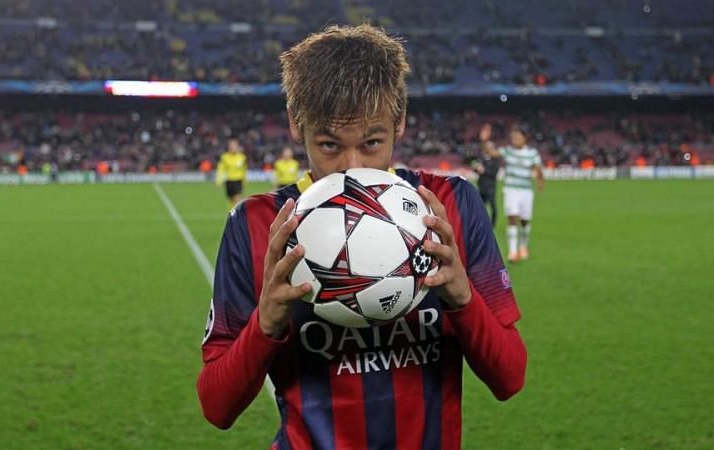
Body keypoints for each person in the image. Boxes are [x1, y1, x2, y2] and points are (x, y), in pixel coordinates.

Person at [196, 25, 526, 450]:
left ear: (400, 121)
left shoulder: (450, 205)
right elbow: (216, 408)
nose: (352, 168)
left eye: (372, 142)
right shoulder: (256, 224)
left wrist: (463, 298)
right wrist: (266, 323)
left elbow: (510, 378)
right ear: (297, 127)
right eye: (329, 145)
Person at [499, 126, 544, 263]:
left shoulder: (532, 153)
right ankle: (512, 252)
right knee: (512, 218)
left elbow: (537, 168)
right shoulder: (508, 151)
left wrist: (540, 181)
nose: (515, 140)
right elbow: (493, 152)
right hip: (511, 189)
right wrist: (484, 141)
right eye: (513, 137)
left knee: (524, 221)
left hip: (526, 190)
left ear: (525, 138)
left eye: (517, 137)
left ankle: (523, 246)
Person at [469, 123, 502, 227]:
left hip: (490, 186)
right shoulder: (482, 158)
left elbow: (494, 173)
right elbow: (475, 166)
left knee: (493, 207)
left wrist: (484, 171)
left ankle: (492, 225)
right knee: (479, 207)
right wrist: (476, 168)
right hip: (481, 185)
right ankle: (480, 223)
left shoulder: (495, 160)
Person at [216, 138, 247, 207]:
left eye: (235, 145)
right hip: (229, 181)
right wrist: (219, 181)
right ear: (228, 146)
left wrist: (244, 180)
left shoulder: (242, 157)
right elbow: (220, 169)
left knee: (237, 200)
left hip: (238, 181)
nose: (233, 147)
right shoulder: (224, 157)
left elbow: (244, 170)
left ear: (238, 146)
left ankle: (239, 215)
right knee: (231, 202)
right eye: (232, 145)